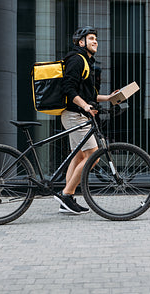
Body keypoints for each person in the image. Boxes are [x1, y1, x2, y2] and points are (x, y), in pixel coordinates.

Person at [54, 26, 116, 214]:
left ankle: (67, 199)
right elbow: (68, 89)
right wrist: (85, 106)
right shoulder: (76, 59)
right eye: (91, 38)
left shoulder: (86, 62)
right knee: (92, 157)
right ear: (81, 43)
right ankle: (66, 194)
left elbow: (89, 95)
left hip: (76, 114)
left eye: (96, 38)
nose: (95, 41)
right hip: (75, 115)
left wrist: (110, 97)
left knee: (79, 156)